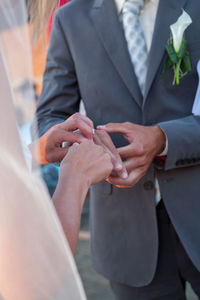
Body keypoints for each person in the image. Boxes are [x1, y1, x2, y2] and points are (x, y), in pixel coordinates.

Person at [33, 0, 200, 299]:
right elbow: (50, 117)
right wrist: (83, 142)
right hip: (124, 230)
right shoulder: (70, 19)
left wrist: (164, 138)